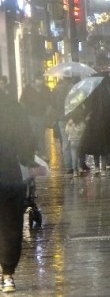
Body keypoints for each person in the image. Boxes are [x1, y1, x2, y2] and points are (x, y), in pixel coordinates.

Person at [0, 88, 46, 293]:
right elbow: (27, 139)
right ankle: (8, 274)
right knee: (11, 226)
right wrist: (27, 158)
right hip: (10, 176)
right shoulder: (13, 108)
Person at [81, 74, 110, 176]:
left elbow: (87, 105)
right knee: (105, 144)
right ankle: (103, 168)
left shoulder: (93, 91)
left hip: (94, 122)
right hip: (107, 122)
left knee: (95, 145)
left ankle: (97, 168)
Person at [19, 75, 53, 156]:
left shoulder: (46, 89)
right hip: (31, 115)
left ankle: (42, 152)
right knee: (33, 134)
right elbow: (22, 101)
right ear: (34, 80)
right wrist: (25, 112)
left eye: (41, 79)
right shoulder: (27, 89)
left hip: (42, 115)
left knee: (41, 134)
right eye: (38, 79)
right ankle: (34, 152)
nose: (40, 81)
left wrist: (48, 111)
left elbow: (50, 101)